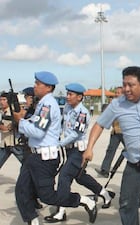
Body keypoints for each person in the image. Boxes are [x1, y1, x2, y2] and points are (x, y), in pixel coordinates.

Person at [82, 66, 140, 225]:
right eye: (124, 84)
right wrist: (89, 148)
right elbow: (99, 125)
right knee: (126, 204)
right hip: (135, 164)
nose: (126, 89)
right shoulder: (117, 104)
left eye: (131, 85)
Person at [13, 71, 97, 225]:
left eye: (38, 84)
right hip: (33, 155)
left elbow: (38, 131)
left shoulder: (47, 105)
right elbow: (35, 123)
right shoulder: (42, 104)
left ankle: (83, 200)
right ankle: (32, 221)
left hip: (44, 159)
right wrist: (25, 118)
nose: (35, 86)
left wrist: (20, 122)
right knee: (21, 190)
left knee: (47, 196)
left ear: (48, 87)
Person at [43, 83, 115, 223]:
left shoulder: (82, 113)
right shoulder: (68, 108)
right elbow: (63, 127)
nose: (67, 97)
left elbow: (75, 134)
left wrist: (57, 144)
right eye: (67, 93)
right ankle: (105, 194)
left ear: (80, 97)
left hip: (79, 151)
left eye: (71, 94)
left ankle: (61, 211)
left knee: (64, 176)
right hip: (69, 150)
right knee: (81, 177)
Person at [95, 86, 124, 178]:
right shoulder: (114, 104)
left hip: (124, 132)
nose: (116, 94)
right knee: (110, 150)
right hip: (115, 131)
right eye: (116, 92)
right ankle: (105, 170)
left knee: (129, 150)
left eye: (119, 93)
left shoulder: (127, 105)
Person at [0, 92, 24, 168]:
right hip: (4, 143)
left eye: (4, 100)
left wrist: (13, 125)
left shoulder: (14, 111)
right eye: (0, 100)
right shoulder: (1, 112)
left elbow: (20, 121)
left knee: (26, 165)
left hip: (15, 143)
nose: (2, 102)